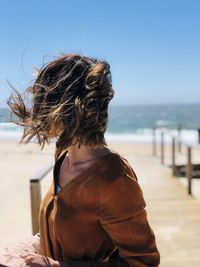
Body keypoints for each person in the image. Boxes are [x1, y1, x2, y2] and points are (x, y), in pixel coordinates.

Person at [6, 53, 160, 267]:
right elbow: (67, 233)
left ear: (69, 108)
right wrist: (32, 246)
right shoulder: (63, 154)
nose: (38, 113)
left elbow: (143, 262)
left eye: (46, 102)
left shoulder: (115, 179)